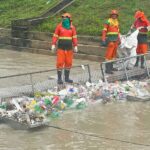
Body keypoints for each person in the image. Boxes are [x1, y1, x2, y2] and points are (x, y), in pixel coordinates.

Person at [51, 13, 78, 84]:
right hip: (61, 48)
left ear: (69, 19)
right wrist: (53, 44)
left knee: (69, 63)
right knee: (60, 63)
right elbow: (55, 36)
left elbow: (74, 37)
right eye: (63, 18)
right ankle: (59, 79)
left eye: (65, 18)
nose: (64, 19)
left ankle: (66, 78)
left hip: (69, 48)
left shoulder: (72, 27)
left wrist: (75, 45)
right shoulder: (59, 26)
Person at [101, 9, 120, 74]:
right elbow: (104, 31)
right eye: (113, 15)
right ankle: (107, 69)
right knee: (109, 55)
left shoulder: (117, 22)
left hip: (115, 40)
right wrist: (103, 39)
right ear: (111, 15)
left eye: (115, 15)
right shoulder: (108, 22)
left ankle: (111, 67)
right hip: (110, 40)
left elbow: (118, 31)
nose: (114, 16)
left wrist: (119, 39)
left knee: (113, 55)